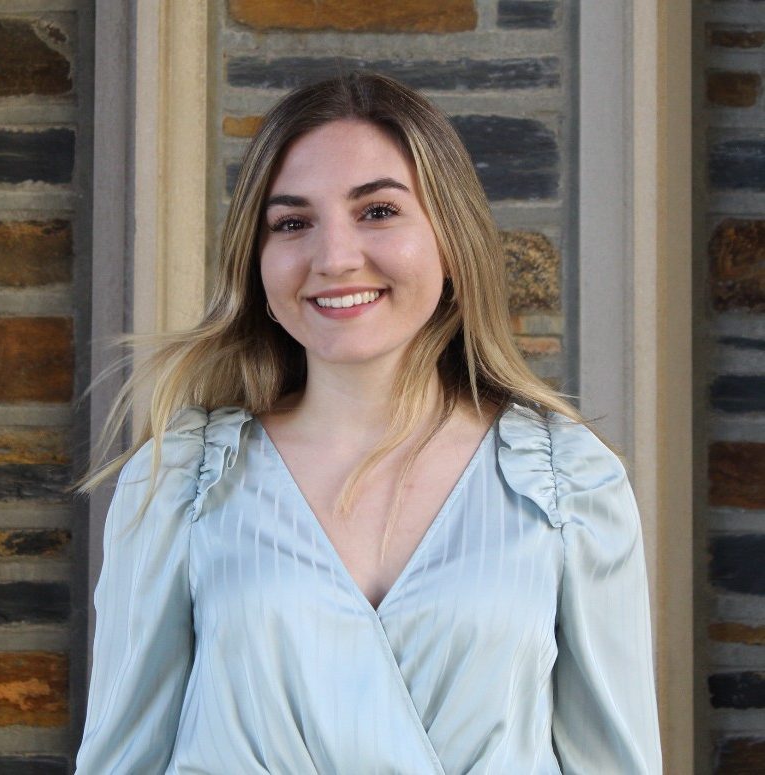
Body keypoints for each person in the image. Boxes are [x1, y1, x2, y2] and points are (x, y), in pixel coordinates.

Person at [75, 72, 662, 773]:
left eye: (377, 211)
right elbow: (120, 760)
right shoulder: (178, 484)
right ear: (256, 261)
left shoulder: (568, 483)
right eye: (292, 223)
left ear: (449, 235)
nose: (334, 258)